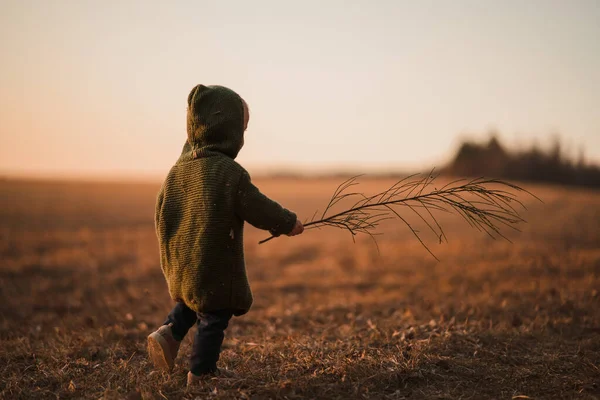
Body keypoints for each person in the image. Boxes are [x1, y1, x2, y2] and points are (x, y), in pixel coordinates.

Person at [147, 84, 304, 387]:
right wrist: (287, 222)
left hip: (182, 259)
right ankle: (202, 372)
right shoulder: (229, 172)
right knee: (215, 311)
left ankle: (168, 333)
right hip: (212, 260)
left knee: (195, 298)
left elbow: (160, 211)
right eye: (242, 126)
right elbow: (257, 206)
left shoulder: (177, 171)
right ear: (228, 129)